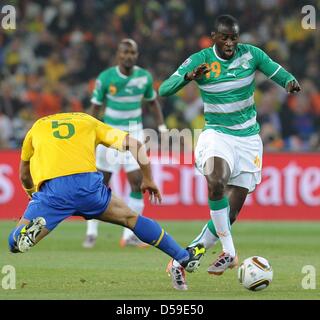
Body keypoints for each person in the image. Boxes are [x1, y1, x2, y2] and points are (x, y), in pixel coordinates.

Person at [159, 14, 300, 290]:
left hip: (248, 140)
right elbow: (164, 88)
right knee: (215, 183)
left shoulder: (251, 55)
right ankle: (230, 252)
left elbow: (276, 70)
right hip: (217, 135)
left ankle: (180, 261)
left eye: (233, 37)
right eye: (224, 37)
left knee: (230, 214)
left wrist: (289, 82)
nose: (229, 43)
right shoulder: (199, 60)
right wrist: (188, 78)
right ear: (214, 36)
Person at [7, 112, 205, 277]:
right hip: (88, 188)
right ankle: (184, 257)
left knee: (14, 243)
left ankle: (25, 235)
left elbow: (24, 174)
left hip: (54, 192)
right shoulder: (88, 121)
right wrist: (148, 178)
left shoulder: (37, 127)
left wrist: (33, 196)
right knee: (131, 218)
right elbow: (136, 145)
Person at [83, 38, 168, 249]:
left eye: (133, 53)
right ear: (118, 55)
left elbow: (152, 103)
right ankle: (91, 232)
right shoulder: (106, 78)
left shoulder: (144, 77)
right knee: (100, 184)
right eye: (125, 52)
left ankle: (130, 235)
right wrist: (86, 132)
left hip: (135, 134)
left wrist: (162, 126)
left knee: (138, 181)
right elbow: (95, 108)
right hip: (109, 135)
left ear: (136, 55)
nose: (129, 56)